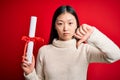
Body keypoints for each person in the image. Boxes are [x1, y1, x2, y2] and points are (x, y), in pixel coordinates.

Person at [21, 5, 120, 80]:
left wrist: (93, 33)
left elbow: (116, 55)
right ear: (55, 26)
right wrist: (30, 74)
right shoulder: (44, 51)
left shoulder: (84, 49)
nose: (65, 28)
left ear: (77, 24)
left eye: (70, 23)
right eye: (60, 23)